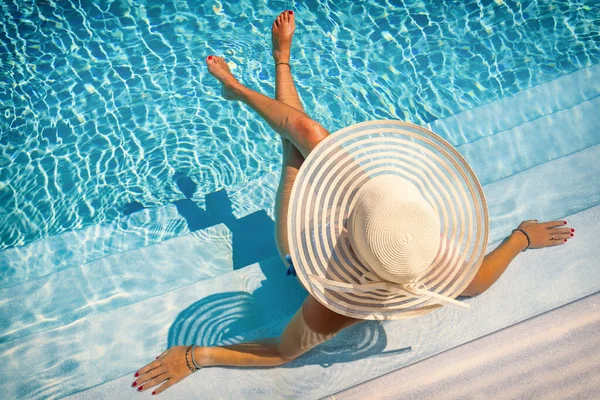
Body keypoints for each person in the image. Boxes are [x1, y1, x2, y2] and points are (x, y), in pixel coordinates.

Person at [131, 10, 575, 395]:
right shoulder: (416, 240)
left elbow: (283, 352)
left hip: (303, 248)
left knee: (294, 154)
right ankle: (271, 71)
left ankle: (247, 82)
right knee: (307, 135)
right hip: (368, 214)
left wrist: (195, 357)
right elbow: (475, 282)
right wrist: (520, 239)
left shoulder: (336, 303)